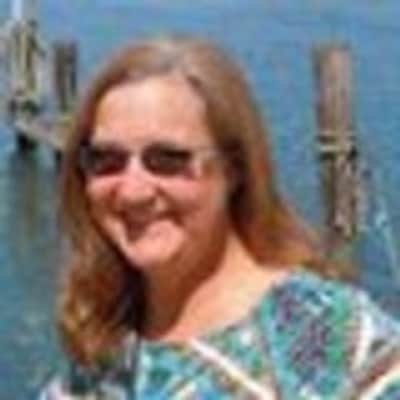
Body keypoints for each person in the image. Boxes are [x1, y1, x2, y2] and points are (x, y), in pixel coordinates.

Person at [39, 36, 400, 399]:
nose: (133, 190)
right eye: (106, 160)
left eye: (167, 160)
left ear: (234, 169)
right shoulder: (103, 344)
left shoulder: (335, 343)